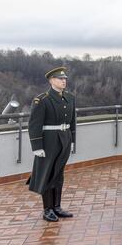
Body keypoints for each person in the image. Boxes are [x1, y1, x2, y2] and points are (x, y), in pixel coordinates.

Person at [27, 67, 76, 222]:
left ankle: (57, 206)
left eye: (65, 79)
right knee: (47, 173)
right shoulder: (42, 99)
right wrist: (37, 147)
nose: (64, 81)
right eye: (60, 79)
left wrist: (73, 140)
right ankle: (47, 209)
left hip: (65, 138)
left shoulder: (69, 97)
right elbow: (34, 124)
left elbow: (72, 121)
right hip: (49, 140)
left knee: (58, 174)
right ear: (51, 81)